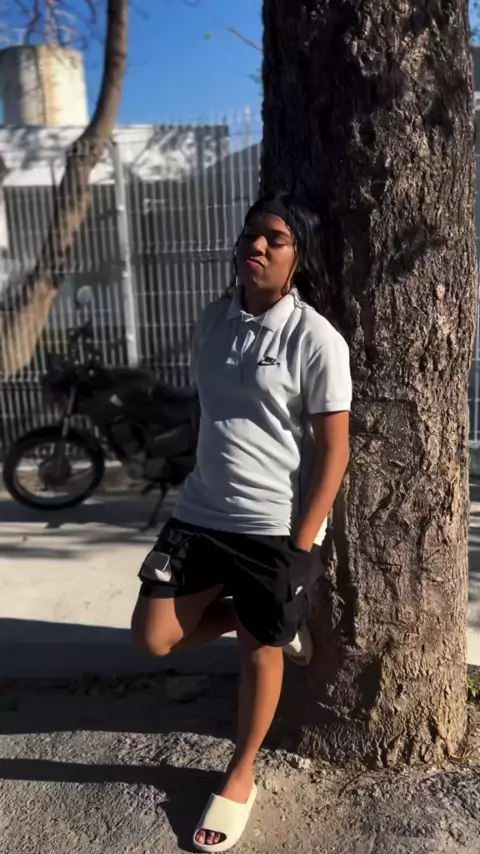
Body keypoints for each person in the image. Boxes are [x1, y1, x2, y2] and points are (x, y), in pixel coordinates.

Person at [131, 192, 352, 852]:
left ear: (297, 258)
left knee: (259, 652)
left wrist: (302, 543)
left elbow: (334, 450)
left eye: (274, 240)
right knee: (154, 638)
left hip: (271, 526)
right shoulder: (212, 320)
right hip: (199, 514)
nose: (256, 246)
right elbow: (213, 412)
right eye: (251, 235)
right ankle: (273, 620)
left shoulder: (315, 338)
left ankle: (240, 772)